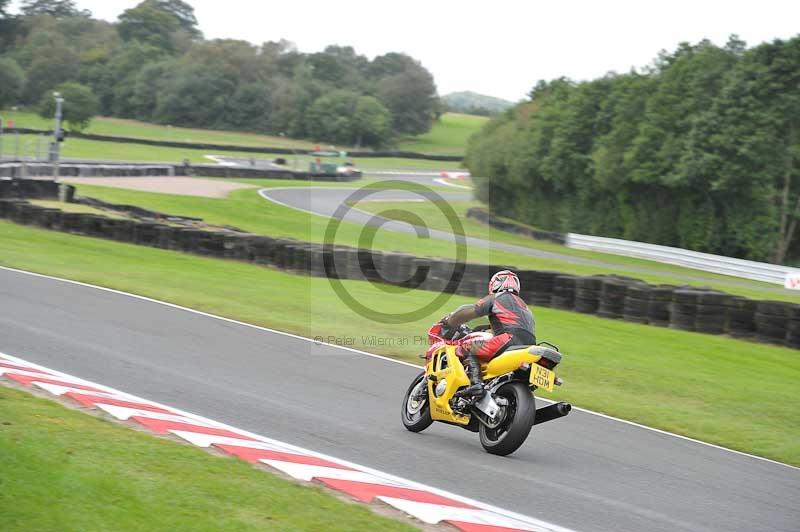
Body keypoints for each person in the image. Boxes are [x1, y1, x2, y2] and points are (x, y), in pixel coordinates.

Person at [439, 270, 536, 398]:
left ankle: (476, 384)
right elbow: (504, 325)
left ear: (496, 284)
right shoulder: (525, 307)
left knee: (467, 347)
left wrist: (450, 321)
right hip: (529, 346)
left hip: (509, 339)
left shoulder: (496, 298)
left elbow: (470, 311)